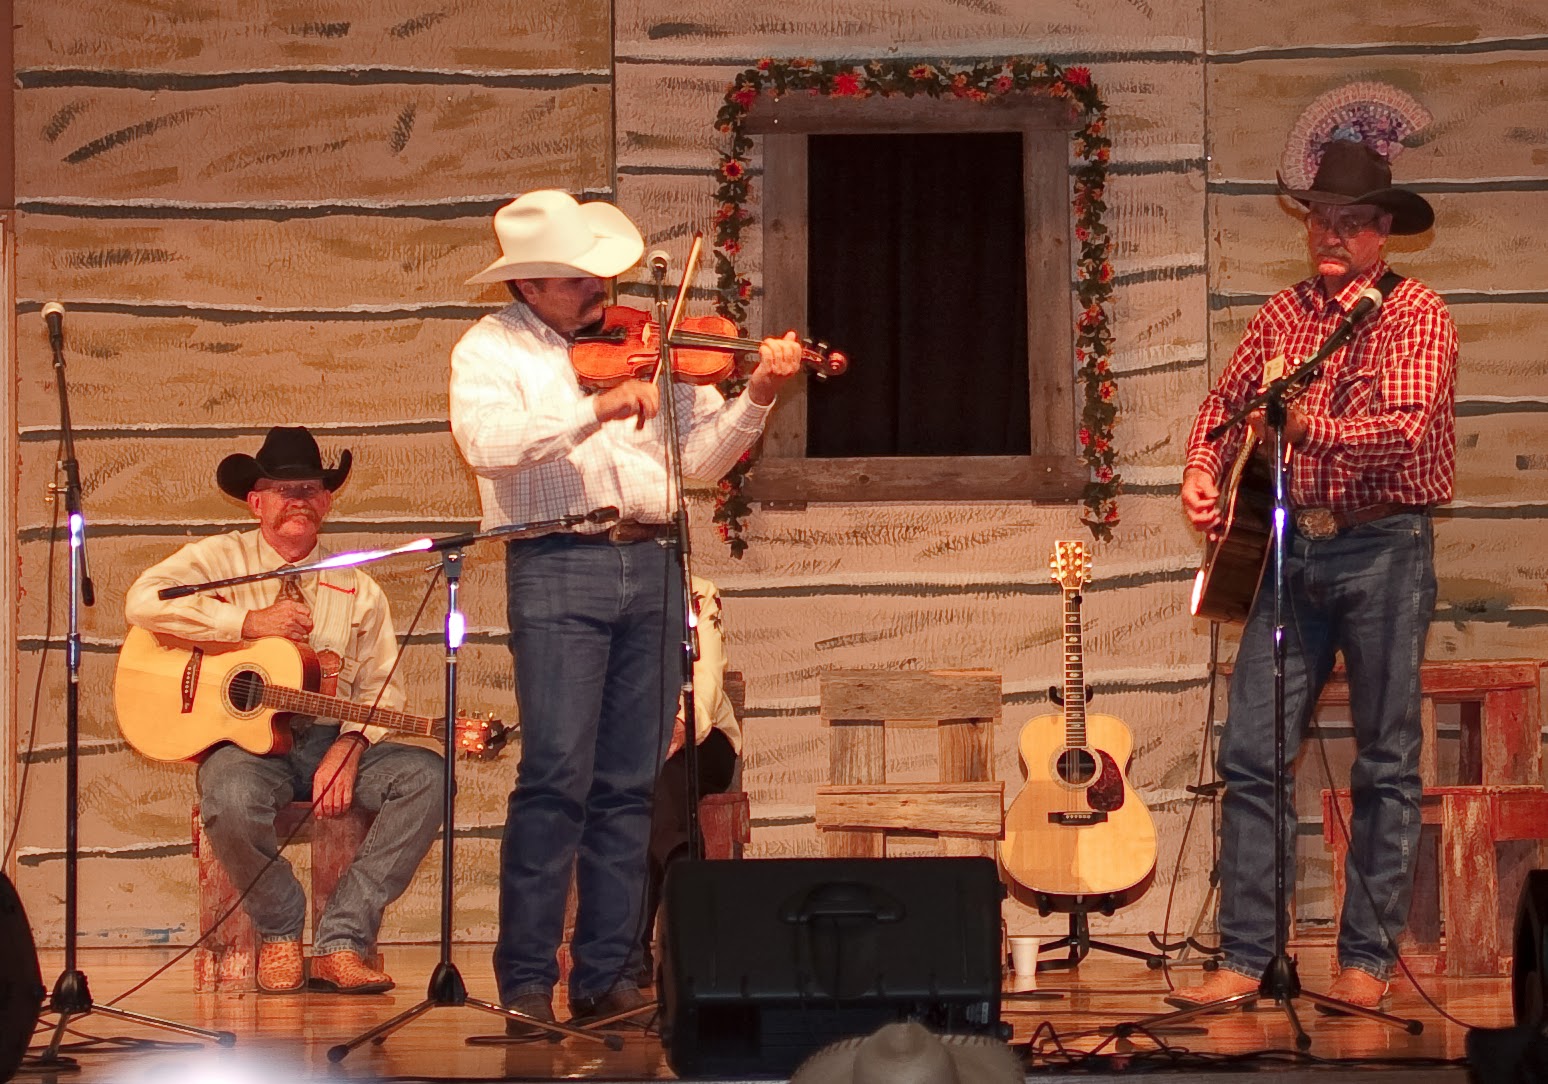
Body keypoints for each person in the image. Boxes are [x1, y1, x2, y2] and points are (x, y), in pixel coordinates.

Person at [448, 190, 802, 1034]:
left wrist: (755, 394)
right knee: (554, 780)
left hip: (654, 565)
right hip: (558, 561)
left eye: (603, 276)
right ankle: (528, 981)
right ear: (530, 283)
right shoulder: (489, 350)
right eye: (580, 281)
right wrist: (590, 407)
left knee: (629, 788)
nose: (603, 292)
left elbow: (703, 464)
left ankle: (607, 973)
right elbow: (489, 449)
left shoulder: (649, 346)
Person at [1171, 138, 1457, 1012]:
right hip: (1288, 553)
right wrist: (1200, 468)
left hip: (1383, 549)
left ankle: (1365, 962)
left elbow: (1406, 434)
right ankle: (1247, 958)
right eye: (1318, 219)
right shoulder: (1283, 314)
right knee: (1250, 755)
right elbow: (1224, 409)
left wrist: (1305, 431)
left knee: (1386, 763)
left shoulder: (1419, 315)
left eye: (1348, 221)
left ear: (1382, 232)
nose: (1328, 234)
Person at [124, 427, 445, 994]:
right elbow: (142, 601)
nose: (298, 499)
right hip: (247, 746)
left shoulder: (357, 586)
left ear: (326, 501)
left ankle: (341, 940)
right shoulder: (218, 558)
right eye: (282, 489)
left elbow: (380, 687)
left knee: (427, 777)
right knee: (228, 798)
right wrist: (244, 625)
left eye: (311, 488)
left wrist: (350, 746)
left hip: (325, 737)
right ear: (257, 501)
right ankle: (279, 929)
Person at [636, 574, 742, 985]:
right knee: (647, 790)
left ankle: (633, 950)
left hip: (702, 738)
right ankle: (688, 891)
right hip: (631, 744)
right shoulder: (597, 591)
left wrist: (676, 729)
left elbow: (707, 683)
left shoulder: (696, 594)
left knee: (658, 781)